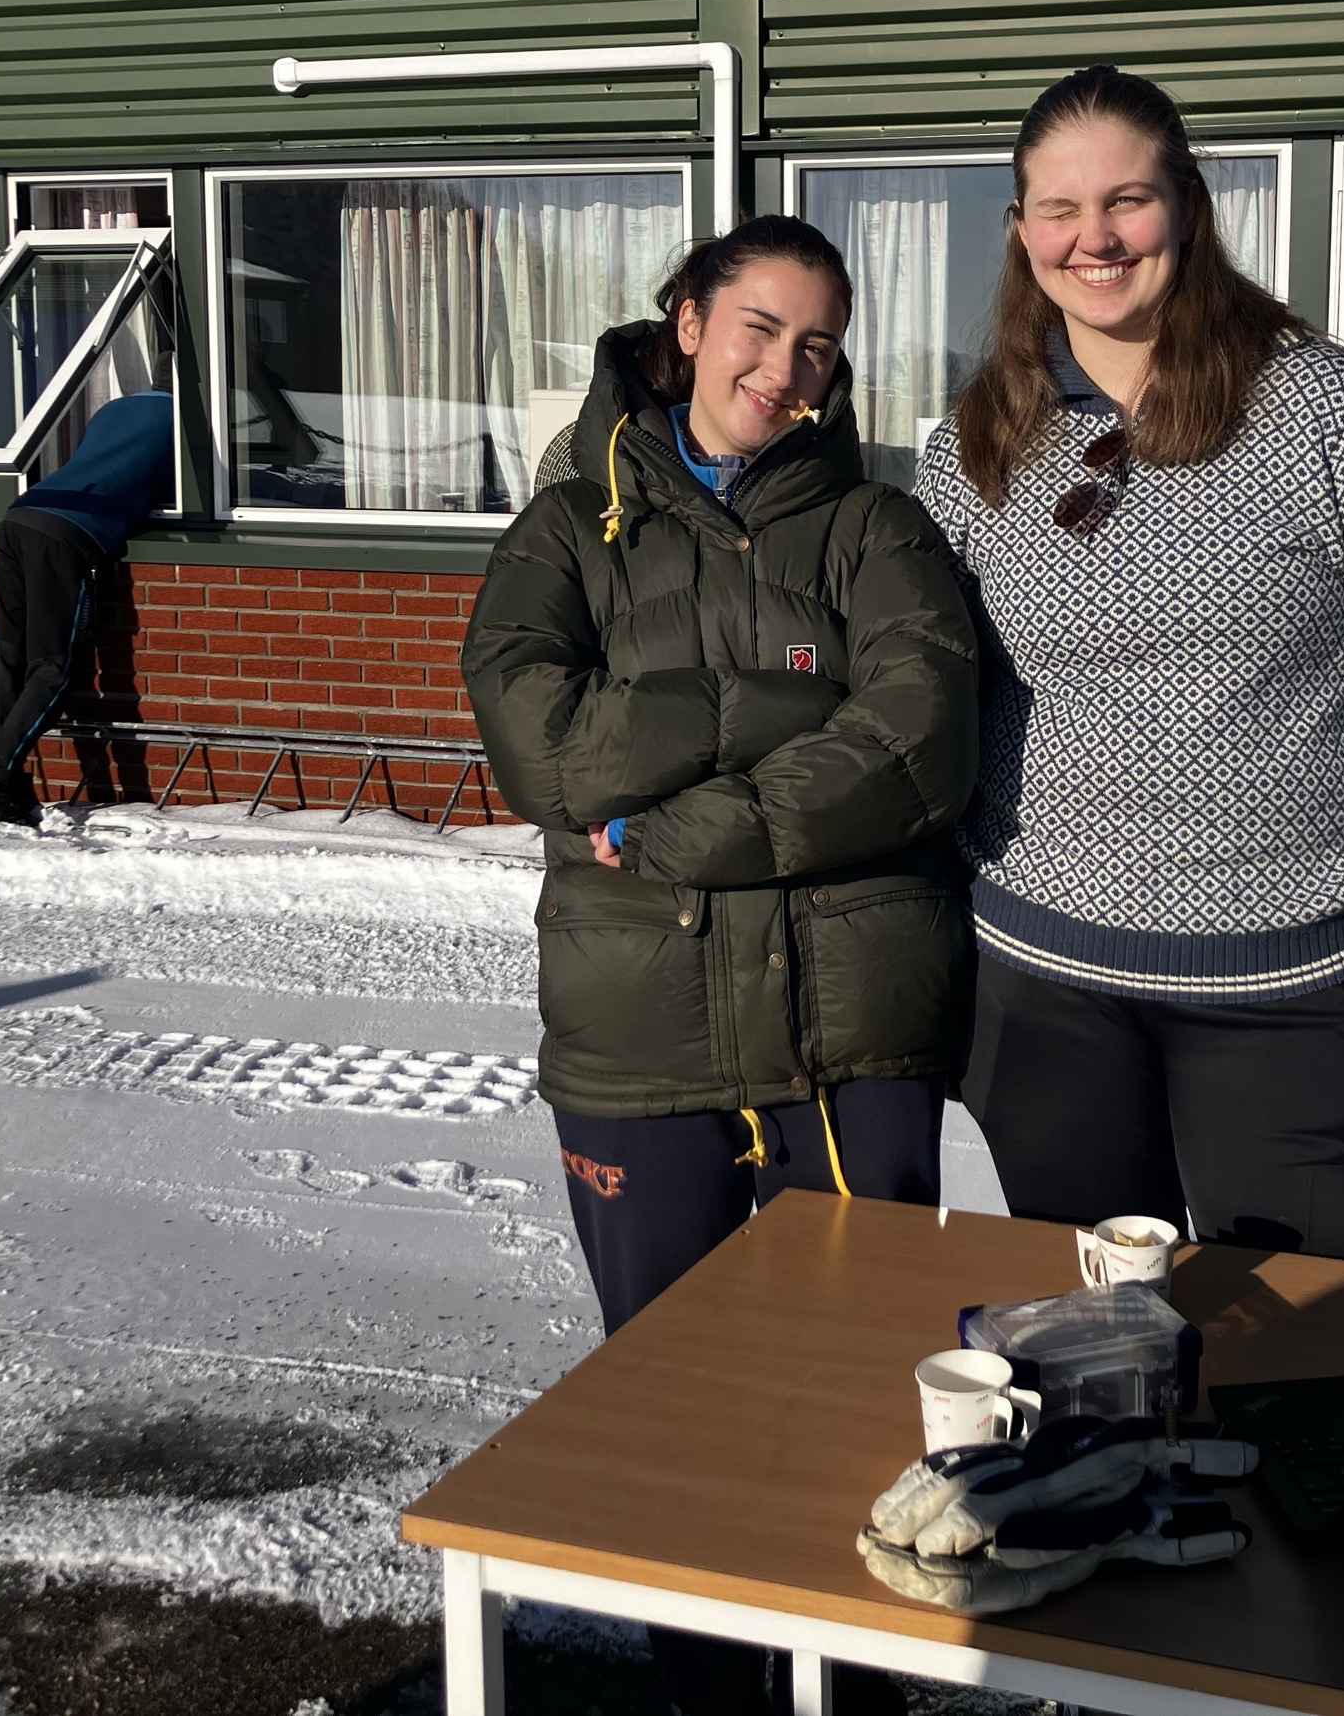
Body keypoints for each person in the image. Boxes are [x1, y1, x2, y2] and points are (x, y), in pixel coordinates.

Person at [461, 215, 976, 1716]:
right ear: (684, 320)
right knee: (673, 1411)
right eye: (757, 325)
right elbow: (540, 741)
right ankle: (707, 1691)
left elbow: (920, 736)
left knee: (857, 1408)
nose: (785, 367)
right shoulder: (566, 528)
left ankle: (859, 1687)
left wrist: (693, 821)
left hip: (853, 1032)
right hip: (642, 1043)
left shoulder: (881, 530)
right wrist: (775, 696)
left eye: (818, 343)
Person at [914, 66, 1344, 1267]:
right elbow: (919, 700)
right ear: (1020, 231)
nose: (1095, 238)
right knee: (1096, 1343)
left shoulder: (1324, 409)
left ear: (1185, 206)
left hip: (1284, 977)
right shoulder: (980, 435)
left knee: (1313, 1344)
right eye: (1058, 210)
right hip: (1038, 976)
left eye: (1126, 200)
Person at [0, 388, 175, 828]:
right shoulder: (186, 416)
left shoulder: (115, 408)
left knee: (8, 653)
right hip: (68, 533)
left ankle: (1, 778)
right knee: (54, 666)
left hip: (22, 514)